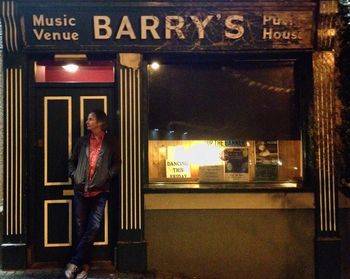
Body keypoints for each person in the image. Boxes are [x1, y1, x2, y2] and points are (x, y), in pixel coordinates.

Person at [65, 109, 119, 279]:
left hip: (100, 191)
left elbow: (117, 163)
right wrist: (74, 175)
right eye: (87, 119)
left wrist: (107, 176)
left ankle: (74, 263)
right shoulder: (82, 141)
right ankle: (84, 266)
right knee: (81, 228)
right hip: (81, 191)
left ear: (100, 122)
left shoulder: (110, 142)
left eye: (90, 119)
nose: (87, 122)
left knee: (93, 227)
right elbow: (71, 161)